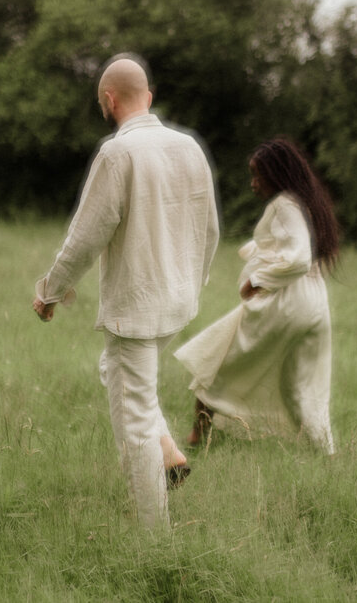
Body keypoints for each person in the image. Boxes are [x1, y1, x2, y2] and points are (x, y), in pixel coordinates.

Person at [32, 53, 220, 529]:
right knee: (116, 373)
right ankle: (171, 453)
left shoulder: (117, 154)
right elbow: (211, 230)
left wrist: (50, 291)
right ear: (149, 98)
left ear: (108, 101)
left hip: (139, 309)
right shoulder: (190, 148)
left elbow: (85, 236)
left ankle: (153, 541)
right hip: (178, 302)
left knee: (132, 417)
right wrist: (192, 285)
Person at [174, 137, 339, 454]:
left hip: (286, 302)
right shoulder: (303, 202)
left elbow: (299, 257)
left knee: (217, 361)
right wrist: (257, 252)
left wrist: (259, 279)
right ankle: (327, 457)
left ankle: (197, 439)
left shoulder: (284, 206)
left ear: (276, 175)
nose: (252, 183)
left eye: (257, 175)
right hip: (314, 303)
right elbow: (292, 250)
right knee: (299, 388)